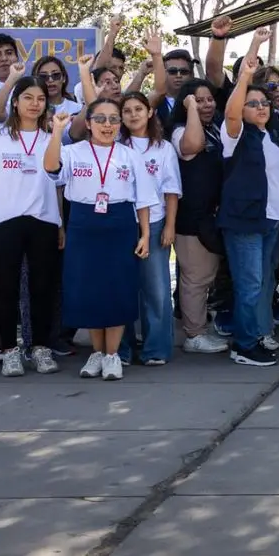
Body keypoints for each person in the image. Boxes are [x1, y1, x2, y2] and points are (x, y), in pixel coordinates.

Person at [0, 76, 69, 376]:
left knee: (42, 289)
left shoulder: (49, 137)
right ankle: (10, 350)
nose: (35, 104)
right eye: (28, 97)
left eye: (41, 99)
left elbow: (53, 173)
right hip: (5, 223)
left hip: (43, 222)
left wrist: (59, 224)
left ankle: (41, 348)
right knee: (6, 289)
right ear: (15, 102)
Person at [57, 96, 151, 379]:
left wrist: (145, 234)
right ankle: (97, 353)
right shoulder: (73, 152)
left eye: (113, 119)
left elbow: (144, 199)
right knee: (88, 291)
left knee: (117, 289)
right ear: (88, 123)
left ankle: (113, 356)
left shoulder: (130, 155)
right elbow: (52, 169)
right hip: (84, 225)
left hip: (120, 223)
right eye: (100, 119)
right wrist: (54, 133)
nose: (107, 125)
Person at [218, 31, 279, 366]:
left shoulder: (272, 134)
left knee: (262, 284)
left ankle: (260, 333)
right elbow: (233, 112)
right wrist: (247, 72)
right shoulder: (235, 134)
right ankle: (243, 345)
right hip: (245, 220)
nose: (261, 107)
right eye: (253, 103)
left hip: (272, 219)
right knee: (249, 285)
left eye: (264, 103)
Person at [120, 89, 181, 365]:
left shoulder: (163, 148)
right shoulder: (116, 145)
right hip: (121, 223)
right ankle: (121, 349)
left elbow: (171, 190)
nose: (133, 115)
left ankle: (156, 348)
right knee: (121, 288)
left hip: (155, 223)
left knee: (156, 289)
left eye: (138, 109)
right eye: (127, 111)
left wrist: (170, 225)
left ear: (150, 112)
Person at [172, 80, 229, 353]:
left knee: (206, 277)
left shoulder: (215, 128)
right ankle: (194, 335)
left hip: (210, 218)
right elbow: (192, 146)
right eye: (198, 100)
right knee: (195, 279)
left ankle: (200, 328)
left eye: (209, 100)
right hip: (190, 220)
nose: (206, 105)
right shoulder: (181, 130)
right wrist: (191, 109)